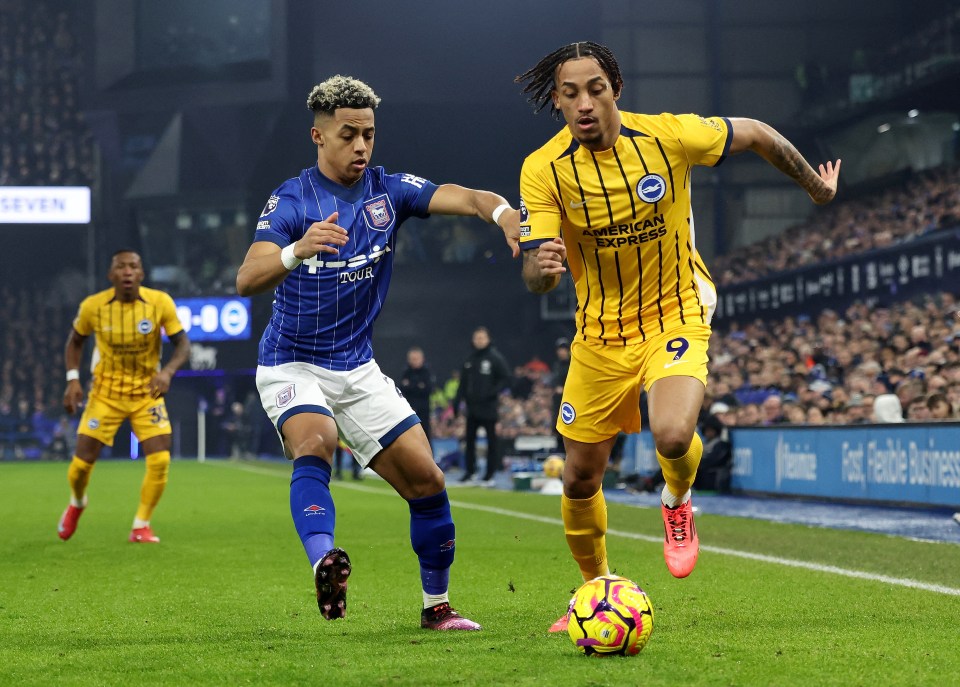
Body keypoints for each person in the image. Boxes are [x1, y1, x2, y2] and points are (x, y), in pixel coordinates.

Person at [514, 41, 840, 627]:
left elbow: (758, 133)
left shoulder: (668, 137)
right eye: (570, 94)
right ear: (557, 102)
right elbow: (537, 271)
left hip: (675, 312)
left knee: (671, 434)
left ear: (616, 89)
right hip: (598, 335)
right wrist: (539, 273)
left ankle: (676, 499)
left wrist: (814, 188)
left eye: (595, 89)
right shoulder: (543, 170)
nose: (584, 103)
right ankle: (595, 591)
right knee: (580, 475)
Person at [235, 75, 520, 630]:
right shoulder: (293, 200)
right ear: (318, 136)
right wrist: (298, 248)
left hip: (357, 366)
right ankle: (325, 562)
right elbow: (247, 278)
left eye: (369, 133)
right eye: (349, 134)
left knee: (428, 481)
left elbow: (467, 197)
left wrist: (504, 214)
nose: (362, 146)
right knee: (315, 441)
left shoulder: (388, 192)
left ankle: (436, 607)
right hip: (292, 361)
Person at [58, 249, 191, 543]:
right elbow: (75, 341)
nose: (128, 271)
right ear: (111, 275)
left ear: (141, 274)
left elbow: (183, 345)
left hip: (146, 391)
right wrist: (72, 379)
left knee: (160, 460)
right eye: (121, 266)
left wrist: (167, 372)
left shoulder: (159, 302)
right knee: (81, 466)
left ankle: (141, 525)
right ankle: (78, 502)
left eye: (133, 266)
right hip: (104, 393)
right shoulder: (94, 306)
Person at [453, 326, 511, 485]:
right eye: (477, 338)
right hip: (472, 408)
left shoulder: (495, 358)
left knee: (492, 441)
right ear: (473, 340)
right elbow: (462, 384)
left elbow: (506, 377)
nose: (479, 341)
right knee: (469, 441)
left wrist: (492, 392)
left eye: (482, 338)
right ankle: (470, 472)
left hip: (489, 407)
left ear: (488, 339)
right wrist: (456, 403)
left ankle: (489, 475)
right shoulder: (469, 360)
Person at [399, 346, 436, 447]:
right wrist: (418, 386)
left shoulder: (427, 373)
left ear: (422, 359)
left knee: (425, 436)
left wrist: (411, 386)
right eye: (412, 359)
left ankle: (429, 460)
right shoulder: (406, 372)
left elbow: (428, 390)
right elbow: (402, 390)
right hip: (409, 411)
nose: (414, 361)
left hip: (423, 411)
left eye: (416, 359)